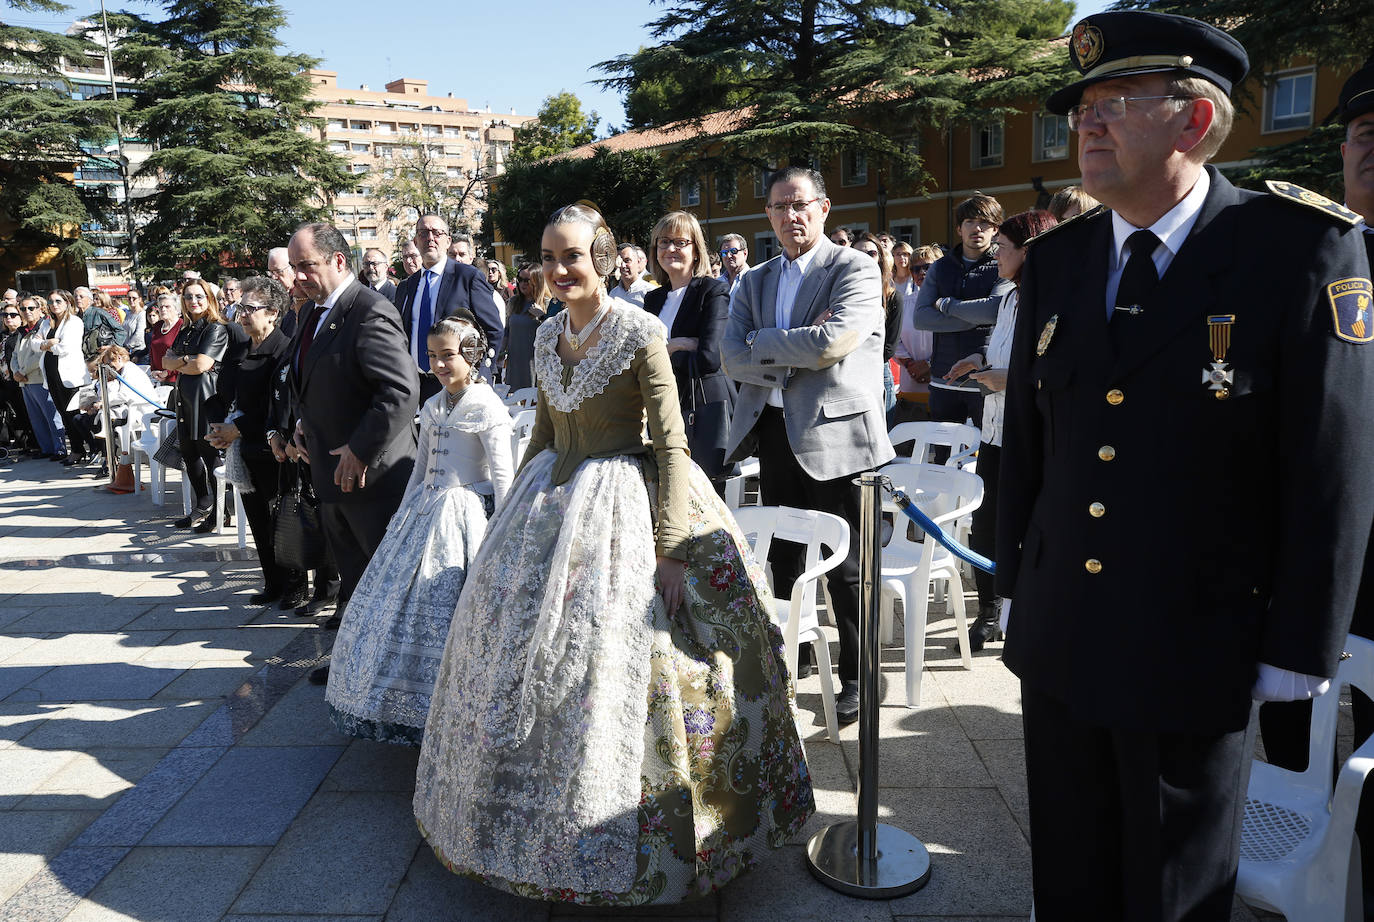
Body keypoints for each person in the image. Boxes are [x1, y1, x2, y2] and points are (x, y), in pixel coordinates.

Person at [996, 13, 1374, 920]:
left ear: (1194, 123)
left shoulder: (1296, 249)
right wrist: (1012, 579)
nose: (1086, 124)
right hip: (1062, 629)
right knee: (1071, 875)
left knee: (1172, 887)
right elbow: (1029, 445)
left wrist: (1298, 644)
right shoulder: (1059, 260)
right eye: (1083, 107)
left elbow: (1332, 462)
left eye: (1115, 104)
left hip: (1193, 636)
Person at [413, 203, 813, 903]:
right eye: (547, 256)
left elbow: (670, 440)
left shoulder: (637, 329)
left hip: (630, 497)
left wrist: (673, 549)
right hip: (552, 499)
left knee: (639, 660)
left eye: (572, 255)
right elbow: (542, 432)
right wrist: (512, 514)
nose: (558, 270)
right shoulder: (541, 335)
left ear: (600, 257)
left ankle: (661, 832)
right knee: (522, 654)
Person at [1258, 56, 1374, 908]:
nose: (1372, 148)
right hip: (1305, 535)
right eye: (1362, 134)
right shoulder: (1306, 248)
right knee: (1286, 724)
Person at [720, 166, 895, 724]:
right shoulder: (754, 280)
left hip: (839, 436)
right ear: (767, 216)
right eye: (779, 207)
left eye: (800, 204)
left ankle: (860, 676)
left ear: (823, 208)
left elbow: (832, 343)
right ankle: (790, 659)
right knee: (785, 559)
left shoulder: (855, 269)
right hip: (775, 435)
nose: (790, 216)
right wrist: (791, 343)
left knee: (847, 570)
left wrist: (764, 344)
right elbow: (730, 355)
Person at [327, 316, 513, 745]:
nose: (440, 365)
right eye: (432, 356)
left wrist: (504, 532)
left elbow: (504, 478)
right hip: (426, 510)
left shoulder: (486, 406)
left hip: (464, 512)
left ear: (471, 354)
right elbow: (420, 469)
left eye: (448, 355)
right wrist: (403, 512)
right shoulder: (434, 404)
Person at [284, 222, 419, 681]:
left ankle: (389, 676)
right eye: (295, 267)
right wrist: (304, 423)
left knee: (384, 580)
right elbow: (318, 382)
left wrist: (359, 450)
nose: (298, 275)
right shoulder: (311, 313)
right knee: (355, 579)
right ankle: (355, 667)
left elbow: (399, 391)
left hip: (372, 478)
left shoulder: (369, 310)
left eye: (307, 266)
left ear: (338, 261)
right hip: (329, 472)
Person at [943, 210, 1056, 651]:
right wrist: (978, 359)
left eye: (1003, 249)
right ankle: (989, 611)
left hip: (1031, 433)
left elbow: (1056, 367)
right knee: (987, 524)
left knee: (1029, 525)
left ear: (1027, 251)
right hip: (995, 430)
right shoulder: (1008, 296)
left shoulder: (1050, 298)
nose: (995, 257)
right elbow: (1001, 346)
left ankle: (1028, 610)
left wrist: (1008, 380)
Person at [205, 276, 301, 604]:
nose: (243, 315)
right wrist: (219, 429)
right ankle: (272, 582)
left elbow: (276, 404)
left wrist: (239, 428)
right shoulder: (240, 348)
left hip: (273, 447)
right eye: (239, 308)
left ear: (273, 313)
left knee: (282, 518)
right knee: (258, 519)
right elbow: (225, 394)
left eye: (251, 308)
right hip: (244, 448)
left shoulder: (283, 349)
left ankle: (294, 585)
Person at [643, 211, 735, 482]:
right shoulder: (653, 299)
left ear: (696, 250)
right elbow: (640, 356)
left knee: (702, 498)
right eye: (663, 242)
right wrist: (676, 346)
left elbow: (709, 358)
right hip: (662, 409)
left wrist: (661, 351)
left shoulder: (712, 291)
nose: (670, 248)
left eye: (680, 242)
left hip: (701, 408)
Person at [912, 193, 1012, 431]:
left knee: (987, 457)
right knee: (942, 457)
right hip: (943, 379)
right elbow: (921, 317)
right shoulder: (940, 266)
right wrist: (973, 317)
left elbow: (993, 311)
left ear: (995, 229)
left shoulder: (1003, 263)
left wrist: (947, 306)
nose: (977, 228)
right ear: (959, 228)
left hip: (986, 378)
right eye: (969, 222)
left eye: (984, 222)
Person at [392, 214, 504, 397]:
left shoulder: (468, 277)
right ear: (416, 240)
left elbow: (493, 329)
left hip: (462, 383)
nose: (430, 238)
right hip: (418, 385)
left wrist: (477, 369)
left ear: (447, 241)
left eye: (437, 233)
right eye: (423, 233)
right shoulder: (407, 286)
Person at [161, 281, 229, 530]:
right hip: (183, 397)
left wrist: (179, 362)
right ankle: (202, 505)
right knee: (189, 454)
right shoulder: (186, 329)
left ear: (209, 298)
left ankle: (220, 512)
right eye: (189, 297)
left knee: (209, 455)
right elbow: (164, 362)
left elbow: (201, 366)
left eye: (199, 296)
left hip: (205, 397)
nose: (194, 301)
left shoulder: (215, 329)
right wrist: (184, 361)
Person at [40, 290, 93, 466]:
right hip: (52, 375)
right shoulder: (48, 324)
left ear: (67, 302)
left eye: (58, 301)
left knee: (75, 415)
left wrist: (47, 345)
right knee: (64, 415)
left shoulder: (74, 322)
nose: (54, 304)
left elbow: (65, 348)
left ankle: (93, 448)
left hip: (70, 377)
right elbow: (35, 343)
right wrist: (50, 343)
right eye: (51, 301)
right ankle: (77, 450)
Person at [891, 244, 939, 427]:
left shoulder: (950, 303)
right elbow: (895, 340)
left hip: (942, 381)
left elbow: (952, 340)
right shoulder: (903, 303)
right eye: (916, 269)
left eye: (928, 267)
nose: (922, 272)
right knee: (911, 448)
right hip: (911, 383)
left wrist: (929, 366)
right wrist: (912, 365)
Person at [853, 232, 901, 414]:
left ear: (880, 258)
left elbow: (889, 348)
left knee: (882, 436)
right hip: (847, 375)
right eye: (859, 254)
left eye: (871, 253)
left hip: (878, 373)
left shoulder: (893, 296)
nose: (865, 259)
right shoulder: (837, 294)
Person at [10, 296, 63, 459]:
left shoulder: (45, 327)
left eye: (31, 308)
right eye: (24, 309)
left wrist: (22, 371)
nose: (27, 312)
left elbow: (40, 354)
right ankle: (46, 449)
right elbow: (15, 355)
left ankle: (59, 449)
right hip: (24, 382)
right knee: (37, 419)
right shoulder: (22, 331)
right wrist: (15, 371)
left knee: (51, 417)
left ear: (40, 309)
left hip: (39, 379)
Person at [498, 263, 546, 391]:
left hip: (535, 362)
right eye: (520, 279)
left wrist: (542, 317)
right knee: (515, 399)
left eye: (527, 280)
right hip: (515, 359)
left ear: (537, 281)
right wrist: (501, 352)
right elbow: (507, 330)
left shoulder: (547, 304)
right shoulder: (514, 302)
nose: (522, 283)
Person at [146, 288, 182, 384]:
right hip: (158, 378)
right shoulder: (158, 325)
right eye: (160, 307)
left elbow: (184, 357)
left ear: (176, 309)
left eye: (167, 306)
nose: (163, 309)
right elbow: (152, 351)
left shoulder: (182, 326)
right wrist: (153, 370)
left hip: (177, 379)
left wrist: (168, 372)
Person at [608, 242, 653, 307]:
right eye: (619, 262)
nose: (623, 265)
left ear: (638, 261)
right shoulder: (613, 294)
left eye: (627, 260)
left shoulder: (650, 292)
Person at [122, 290, 148, 364]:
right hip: (127, 351)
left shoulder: (142, 314)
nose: (131, 300)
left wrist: (127, 346)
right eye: (129, 298)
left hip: (138, 351)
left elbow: (139, 333)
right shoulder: (128, 314)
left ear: (139, 299)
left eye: (134, 298)